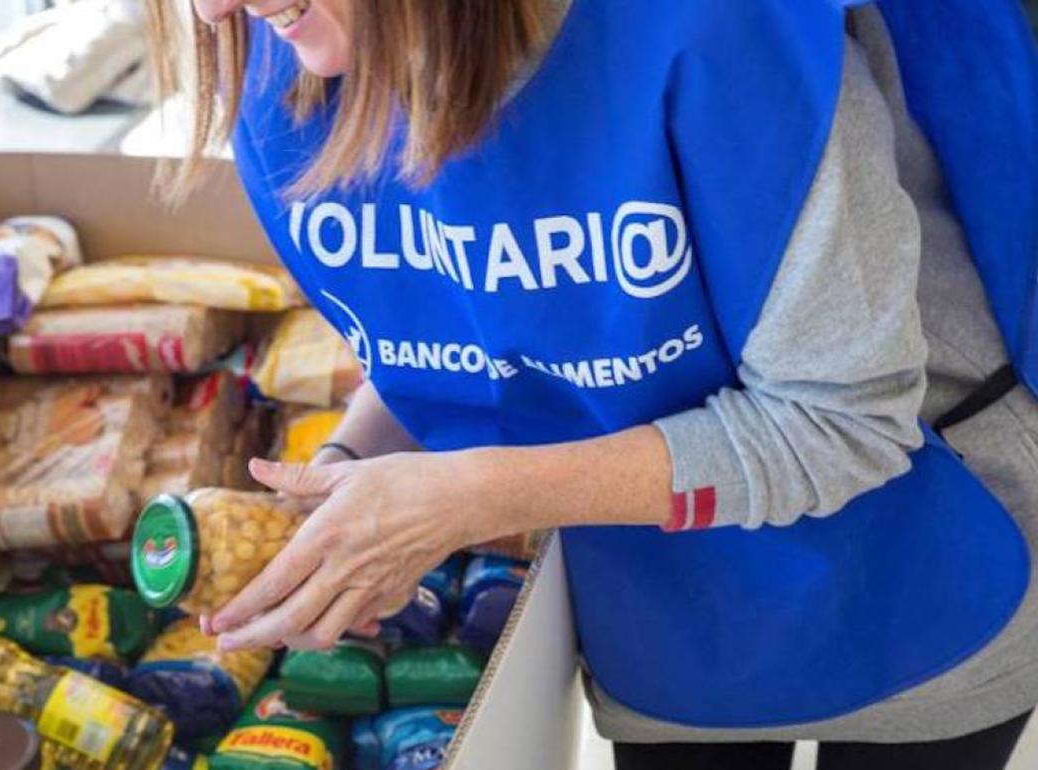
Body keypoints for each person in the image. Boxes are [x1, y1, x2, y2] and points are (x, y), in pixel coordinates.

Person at [146, 1, 1038, 768]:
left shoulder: (714, 32)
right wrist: (346, 482)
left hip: (922, 566)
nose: (216, 9)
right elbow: (464, 327)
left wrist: (466, 498)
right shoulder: (301, 61)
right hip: (666, 611)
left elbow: (842, 423)